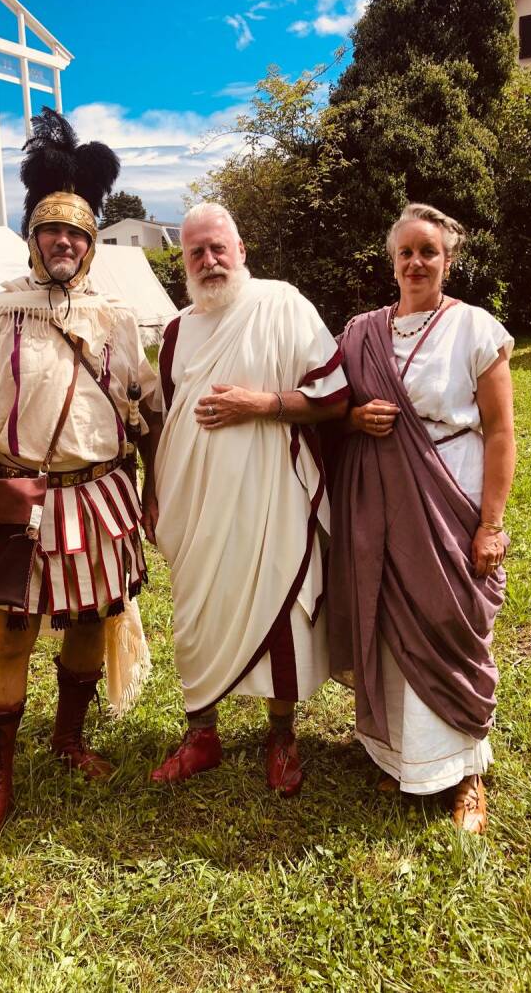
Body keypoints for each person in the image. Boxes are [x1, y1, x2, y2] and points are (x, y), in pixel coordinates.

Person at [0, 109, 156, 849]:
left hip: (101, 499)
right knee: (9, 638)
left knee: (91, 621)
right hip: (18, 501)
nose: (65, 242)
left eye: (78, 233)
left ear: (92, 245)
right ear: (32, 238)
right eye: (52, 230)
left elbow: (146, 413)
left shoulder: (116, 321)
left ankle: (68, 739)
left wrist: (157, 492)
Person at [143, 203, 350, 796]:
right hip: (194, 502)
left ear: (241, 251)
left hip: (272, 495)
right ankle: (201, 734)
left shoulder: (283, 305)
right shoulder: (176, 332)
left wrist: (259, 405)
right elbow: (164, 420)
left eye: (218, 248)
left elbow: (335, 397)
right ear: (183, 263)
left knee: (278, 606)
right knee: (195, 615)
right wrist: (153, 490)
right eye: (196, 253)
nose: (209, 261)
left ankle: (281, 738)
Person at [326, 203, 515, 834]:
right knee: (388, 625)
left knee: (452, 626)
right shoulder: (362, 332)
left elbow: (500, 432)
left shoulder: (475, 328)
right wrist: (355, 418)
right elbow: (330, 405)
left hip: (449, 495)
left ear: (448, 261)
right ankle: (403, 757)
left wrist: (490, 524)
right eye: (405, 252)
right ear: (392, 262)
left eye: (428, 251)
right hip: (379, 501)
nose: (416, 262)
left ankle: (467, 775)